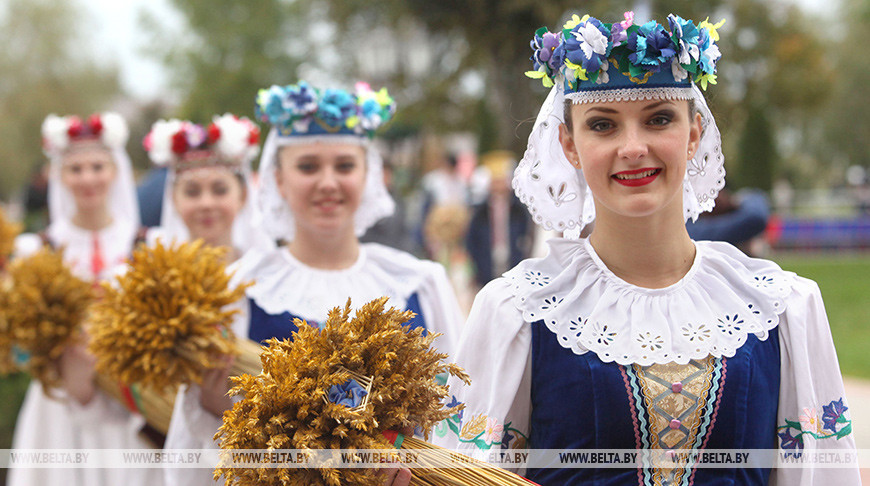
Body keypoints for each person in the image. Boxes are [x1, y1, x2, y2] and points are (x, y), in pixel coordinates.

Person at [433, 12, 859, 485]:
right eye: (603, 125)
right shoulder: (518, 312)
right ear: (568, 144)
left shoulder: (780, 307)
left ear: (694, 133)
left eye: (658, 119)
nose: (633, 147)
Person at [163, 81, 462, 486]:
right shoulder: (240, 291)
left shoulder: (419, 282)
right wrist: (220, 411)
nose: (327, 182)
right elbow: (190, 457)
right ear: (279, 180)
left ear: (369, 175)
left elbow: (460, 415)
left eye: (344, 165)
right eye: (307, 167)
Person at [10, 113, 163, 486]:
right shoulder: (35, 250)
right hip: (59, 407)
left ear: (115, 171)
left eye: (97, 166)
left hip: (133, 403)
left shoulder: (150, 243)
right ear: (59, 175)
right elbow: (19, 350)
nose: (87, 178)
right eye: (75, 168)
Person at [141, 114, 269, 486]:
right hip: (183, 435)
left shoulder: (265, 275)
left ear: (242, 195)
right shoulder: (158, 278)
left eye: (219, 189)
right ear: (175, 200)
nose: (206, 203)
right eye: (192, 192)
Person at [465, 150, 533, 289]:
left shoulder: (518, 210)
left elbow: (527, 235)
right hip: (487, 262)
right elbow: (471, 239)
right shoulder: (480, 211)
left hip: (513, 259)